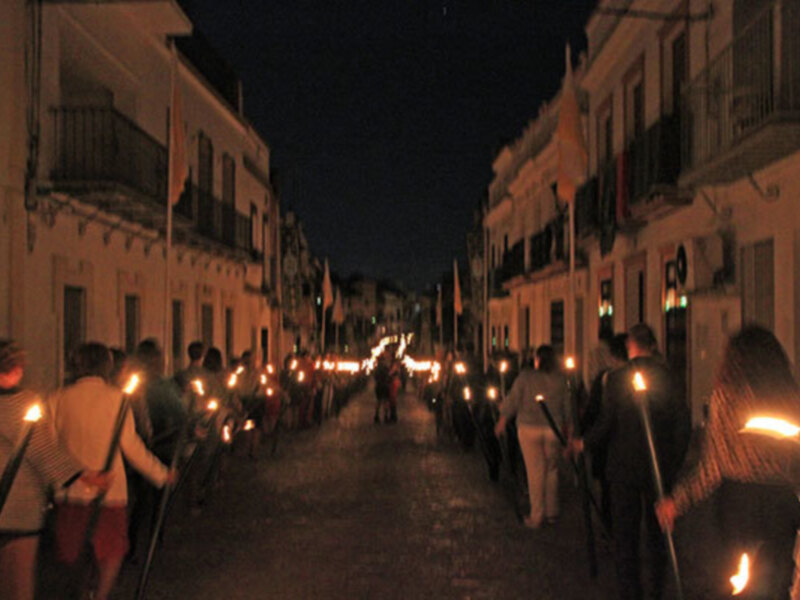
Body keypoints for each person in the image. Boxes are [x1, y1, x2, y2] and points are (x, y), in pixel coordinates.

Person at [655, 326, 800, 599]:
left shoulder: (727, 398)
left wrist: (678, 500)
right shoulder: (790, 399)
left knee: (742, 582)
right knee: (778, 582)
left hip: (741, 505)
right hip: (782, 503)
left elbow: (713, 467)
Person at [572, 323, 691, 600]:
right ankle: (656, 589)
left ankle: (631, 592)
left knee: (626, 537)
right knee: (657, 533)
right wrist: (674, 462)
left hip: (624, 468)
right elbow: (682, 424)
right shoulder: (669, 377)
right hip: (657, 467)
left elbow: (607, 422)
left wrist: (584, 443)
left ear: (630, 346)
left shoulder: (616, 379)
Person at [49, 342, 173, 600]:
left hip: (70, 491)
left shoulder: (57, 398)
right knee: (111, 551)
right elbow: (131, 446)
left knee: (76, 551)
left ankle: (84, 593)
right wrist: (161, 473)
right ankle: (102, 594)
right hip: (109, 491)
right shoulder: (116, 399)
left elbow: (48, 447)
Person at [0, 340, 109, 600]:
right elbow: (42, 450)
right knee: (20, 581)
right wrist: (84, 475)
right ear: (15, 369)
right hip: (17, 504)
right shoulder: (22, 404)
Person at [494, 345, 569, 529]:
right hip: (553, 429)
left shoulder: (526, 377)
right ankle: (552, 511)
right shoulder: (561, 379)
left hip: (529, 428)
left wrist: (502, 419)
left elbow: (513, 400)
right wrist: (569, 430)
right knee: (552, 470)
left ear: (538, 359)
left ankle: (537, 515)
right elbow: (568, 406)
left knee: (535, 472)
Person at [581, 333, 628, 532]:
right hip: (618, 448)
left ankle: (612, 529)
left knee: (609, 491)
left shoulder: (607, 379)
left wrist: (584, 439)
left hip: (609, 446)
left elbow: (596, 413)